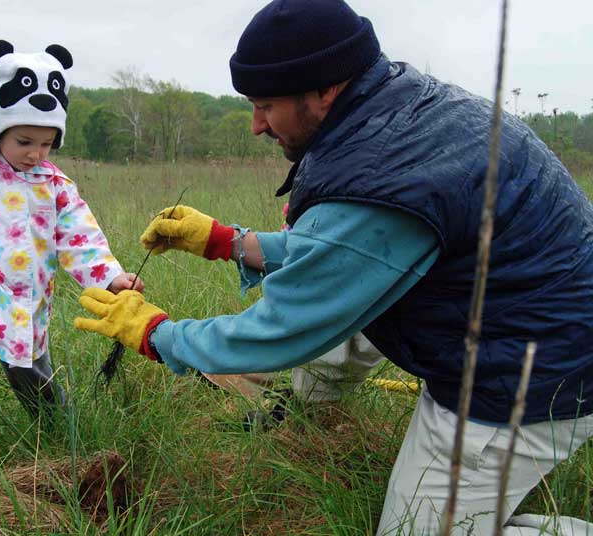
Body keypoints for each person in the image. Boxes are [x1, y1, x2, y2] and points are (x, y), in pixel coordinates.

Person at [73, 1, 593, 534]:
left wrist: (157, 336)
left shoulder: (389, 174)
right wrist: (225, 241)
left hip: (526, 370)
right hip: (510, 312)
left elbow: (284, 328)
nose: (255, 125)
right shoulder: (391, 108)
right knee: (347, 317)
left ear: (323, 90)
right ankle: (308, 411)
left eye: (265, 105)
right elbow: (349, 252)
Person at [0, 40, 144, 479]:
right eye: (24, 141)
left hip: (28, 320)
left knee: (47, 403)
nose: (35, 153)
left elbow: (80, 237)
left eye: (46, 143)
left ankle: (63, 462)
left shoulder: (54, 185)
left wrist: (111, 277)